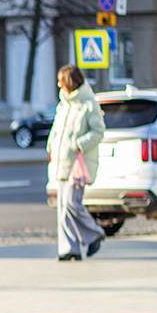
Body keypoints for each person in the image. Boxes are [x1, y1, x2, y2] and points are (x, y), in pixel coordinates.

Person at [47, 65, 106, 261]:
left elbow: (98, 131)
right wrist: (50, 145)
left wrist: (78, 144)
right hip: (61, 161)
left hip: (77, 165)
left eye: (61, 81)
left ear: (70, 82)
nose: (58, 85)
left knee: (72, 205)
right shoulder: (64, 104)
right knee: (62, 208)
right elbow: (56, 129)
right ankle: (69, 249)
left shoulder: (88, 104)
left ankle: (94, 234)